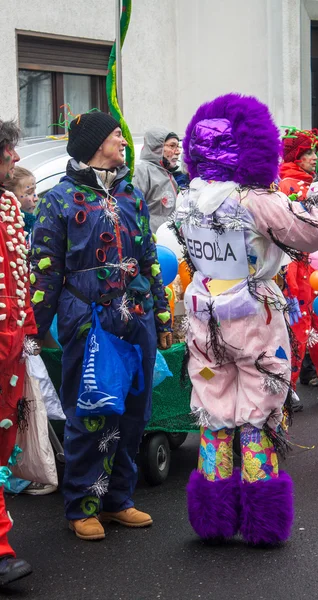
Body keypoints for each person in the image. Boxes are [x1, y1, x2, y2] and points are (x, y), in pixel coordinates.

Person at [175, 94, 318, 545]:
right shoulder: (255, 200)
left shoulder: (186, 197)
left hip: (202, 314)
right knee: (257, 415)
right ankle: (262, 521)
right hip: (253, 317)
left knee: (213, 413)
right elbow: (315, 232)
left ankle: (212, 518)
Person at [30, 111, 172, 541]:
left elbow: (149, 257)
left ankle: (117, 501)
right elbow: (45, 270)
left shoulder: (131, 196)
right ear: (94, 143)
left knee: (132, 413)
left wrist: (162, 314)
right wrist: (38, 329)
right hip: (87, 323)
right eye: (115, 136)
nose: (122, 142)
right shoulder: (59, 200)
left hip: (138, 320)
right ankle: (82, 506)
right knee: (90, 413)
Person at [3, 167, 57, 496]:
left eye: (35, 191)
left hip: (24, 330)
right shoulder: (12, 226)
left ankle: (33, 466)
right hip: (15, 330)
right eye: (27, 193)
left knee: (33, 395)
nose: (33, 198)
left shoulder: (27, 225)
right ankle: (21, 469)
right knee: (26, 399)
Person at [0, 119, 36, 585]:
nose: (15, 160)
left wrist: (25, 331)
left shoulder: (9, 205)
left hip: (8, 347)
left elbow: (18, 274)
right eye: (9, 152)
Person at [279, 129, 318, 405]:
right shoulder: (285, 185)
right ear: (296, 156)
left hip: (316, 263)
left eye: (315, 152)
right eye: (308, 153)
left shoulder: (312, 184)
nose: (314, 158)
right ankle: (288, 388)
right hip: (295, 266)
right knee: (299, 326)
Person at [134, 128, 180, 232]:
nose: (178, 151)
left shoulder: (168, 174)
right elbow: (134, 209)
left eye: (178, 146)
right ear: (156, 147)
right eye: (172, 146)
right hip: (151, 240)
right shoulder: (142, 171)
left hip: (168, 239)